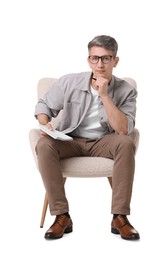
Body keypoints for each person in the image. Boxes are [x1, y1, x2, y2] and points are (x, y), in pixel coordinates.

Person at [34, 35, 140, 241]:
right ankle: (61, 216)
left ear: (115, 61)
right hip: (70, 140)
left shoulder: (127, 91)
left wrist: (105, 96)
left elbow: (123, 130)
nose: (99, 64)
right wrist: (44, 122)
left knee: (126, 144)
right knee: (44, 144)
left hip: (104, 142)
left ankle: (120, 217)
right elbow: (44, 105)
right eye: (94, 58)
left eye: (106, 59)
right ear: (88, 60)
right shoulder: (69, 82)